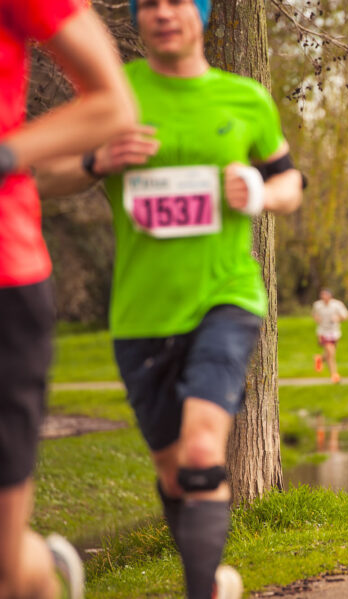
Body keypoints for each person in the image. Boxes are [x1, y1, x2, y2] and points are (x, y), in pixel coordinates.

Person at [35, 0, 303, 597]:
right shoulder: (112, 96)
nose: (164, 13)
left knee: (204, 448)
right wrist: (95, 162)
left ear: (201, 14)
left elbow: (290, 182)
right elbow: (40, 177)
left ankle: (200, 590)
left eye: (178, 1)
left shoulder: (243, 98)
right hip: (141, 312)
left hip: (225, 296)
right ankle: (211, 579)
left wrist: (259, 188)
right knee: (174, 472)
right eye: (150, 3)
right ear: (137, 17)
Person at [0, 2, 135, 598]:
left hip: (5, 280)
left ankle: (41, 574)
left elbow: (112, 103)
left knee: (5, 562)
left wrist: (6, 154)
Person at [312, 289, 348, 384]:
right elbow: (314, 314)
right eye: (322, 295)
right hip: (323, 331)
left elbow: (346, 316)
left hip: (334, 332)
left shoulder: (337, 304)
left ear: (330, 296)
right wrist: (317, 319)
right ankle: (334, 375)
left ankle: (320, 358)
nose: (324, 297)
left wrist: (339, 318)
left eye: (326, 295)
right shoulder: (317, 305)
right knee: (331, 354)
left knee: (329, 354)